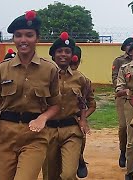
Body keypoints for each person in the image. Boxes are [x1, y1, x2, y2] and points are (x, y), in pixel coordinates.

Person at [0, 10, 61, 180]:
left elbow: (55, 105)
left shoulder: (50, 69)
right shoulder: (2, 69)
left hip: (35, 137)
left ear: (37, 38)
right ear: (13, 39)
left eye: (29, 35)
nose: (23, 40)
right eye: (18, 35)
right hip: (5, 136)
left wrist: (43, 118)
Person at [43, 32, 91, 180]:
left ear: (72, 55)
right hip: (48, 131)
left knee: (69, 175)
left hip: (71, 130)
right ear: (53, 54)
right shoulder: (44, 75)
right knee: (51, 175)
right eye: (59, 51)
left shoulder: (80, 78)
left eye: (67, 51)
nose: (63, 54)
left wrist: (83, 119)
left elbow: (84, 101)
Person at [115, 41, 133, 180]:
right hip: (130, 105)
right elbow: (119, 88)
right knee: (132, 139)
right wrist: (128, 91)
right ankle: (130, 170)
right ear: (130, 52)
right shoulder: (125, 68)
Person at [70, 46, 96, 178]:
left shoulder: (84, 81)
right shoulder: (51, 78)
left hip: (75, 123)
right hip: (54, 123)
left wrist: (82, 119)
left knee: (77, 149)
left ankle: (79, 159)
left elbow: (91, 105)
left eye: (74, 63)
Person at [112, 36, 133, 167]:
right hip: (122, 97)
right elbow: (115, 78)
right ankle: (123, 151)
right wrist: (124, 88)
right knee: (123, 127)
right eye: (129, 45)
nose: (132, 48)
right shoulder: (119, 61)